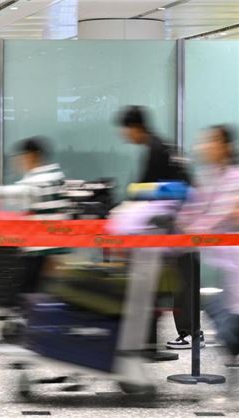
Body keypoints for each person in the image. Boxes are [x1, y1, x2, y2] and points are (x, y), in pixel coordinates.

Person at [116, 105, 201, 351]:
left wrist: (125, 207)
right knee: (178, 275)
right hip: (179, 219)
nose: (125, 135)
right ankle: (183, 332)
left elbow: (145, 188)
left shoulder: (156, 149)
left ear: (135, 127)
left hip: (181, 221)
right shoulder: (159, 146)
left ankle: (190, 333)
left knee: (182, 277)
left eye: (126, 129)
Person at [177, 126, 239, 401]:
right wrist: (181, 224)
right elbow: (195, 210)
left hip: (235, 264)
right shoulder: (209, 177)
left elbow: (223, 214)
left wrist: (193, 231)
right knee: (221, 314)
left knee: (230, 323)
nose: (203, 147)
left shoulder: (234, 178)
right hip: (226, 266)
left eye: (210, 141)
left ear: (225, 146)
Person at [0, 137, 70, 298]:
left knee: (30, 292)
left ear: (31, 155)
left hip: (41, 249)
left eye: (21, 157)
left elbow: (24, 193)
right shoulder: (52, 178)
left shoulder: (43, 180)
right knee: (33, 292)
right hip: (44, 248)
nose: (18, 161)